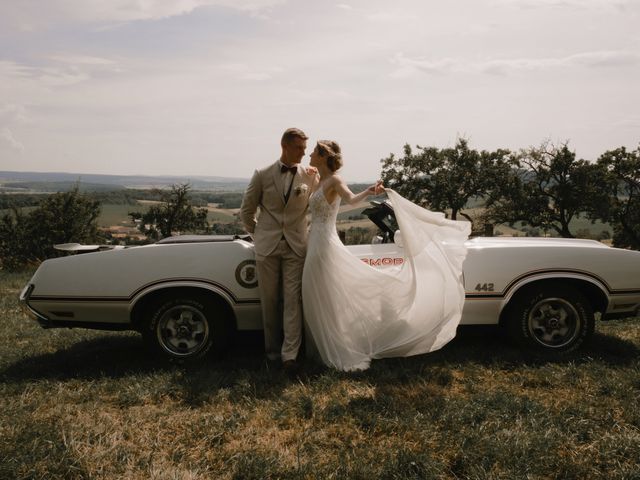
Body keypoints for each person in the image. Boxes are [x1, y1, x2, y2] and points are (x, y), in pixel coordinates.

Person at [302, 140, 471, 371]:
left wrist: (370, 191)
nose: (309, 154)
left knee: (325, 292)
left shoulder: (335, 180)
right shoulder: (317, 179)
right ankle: (322, 347)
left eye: (314, 151)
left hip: (324, 243)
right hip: (313, 241)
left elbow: (350, 199)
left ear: (323, 156)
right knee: (316, 291)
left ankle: (337, 348)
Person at [240, 128, 317, 372]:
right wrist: (259, 235)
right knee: (270, 301)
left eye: (305, 149)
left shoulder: (310, 176)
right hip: (267, 247)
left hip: (296, 246)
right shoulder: (261, 174)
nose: (304, 154)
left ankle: (289, 356)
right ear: (284, 146)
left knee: (293, 300)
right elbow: (246, 211)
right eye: (299, 148)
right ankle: (272, 352)